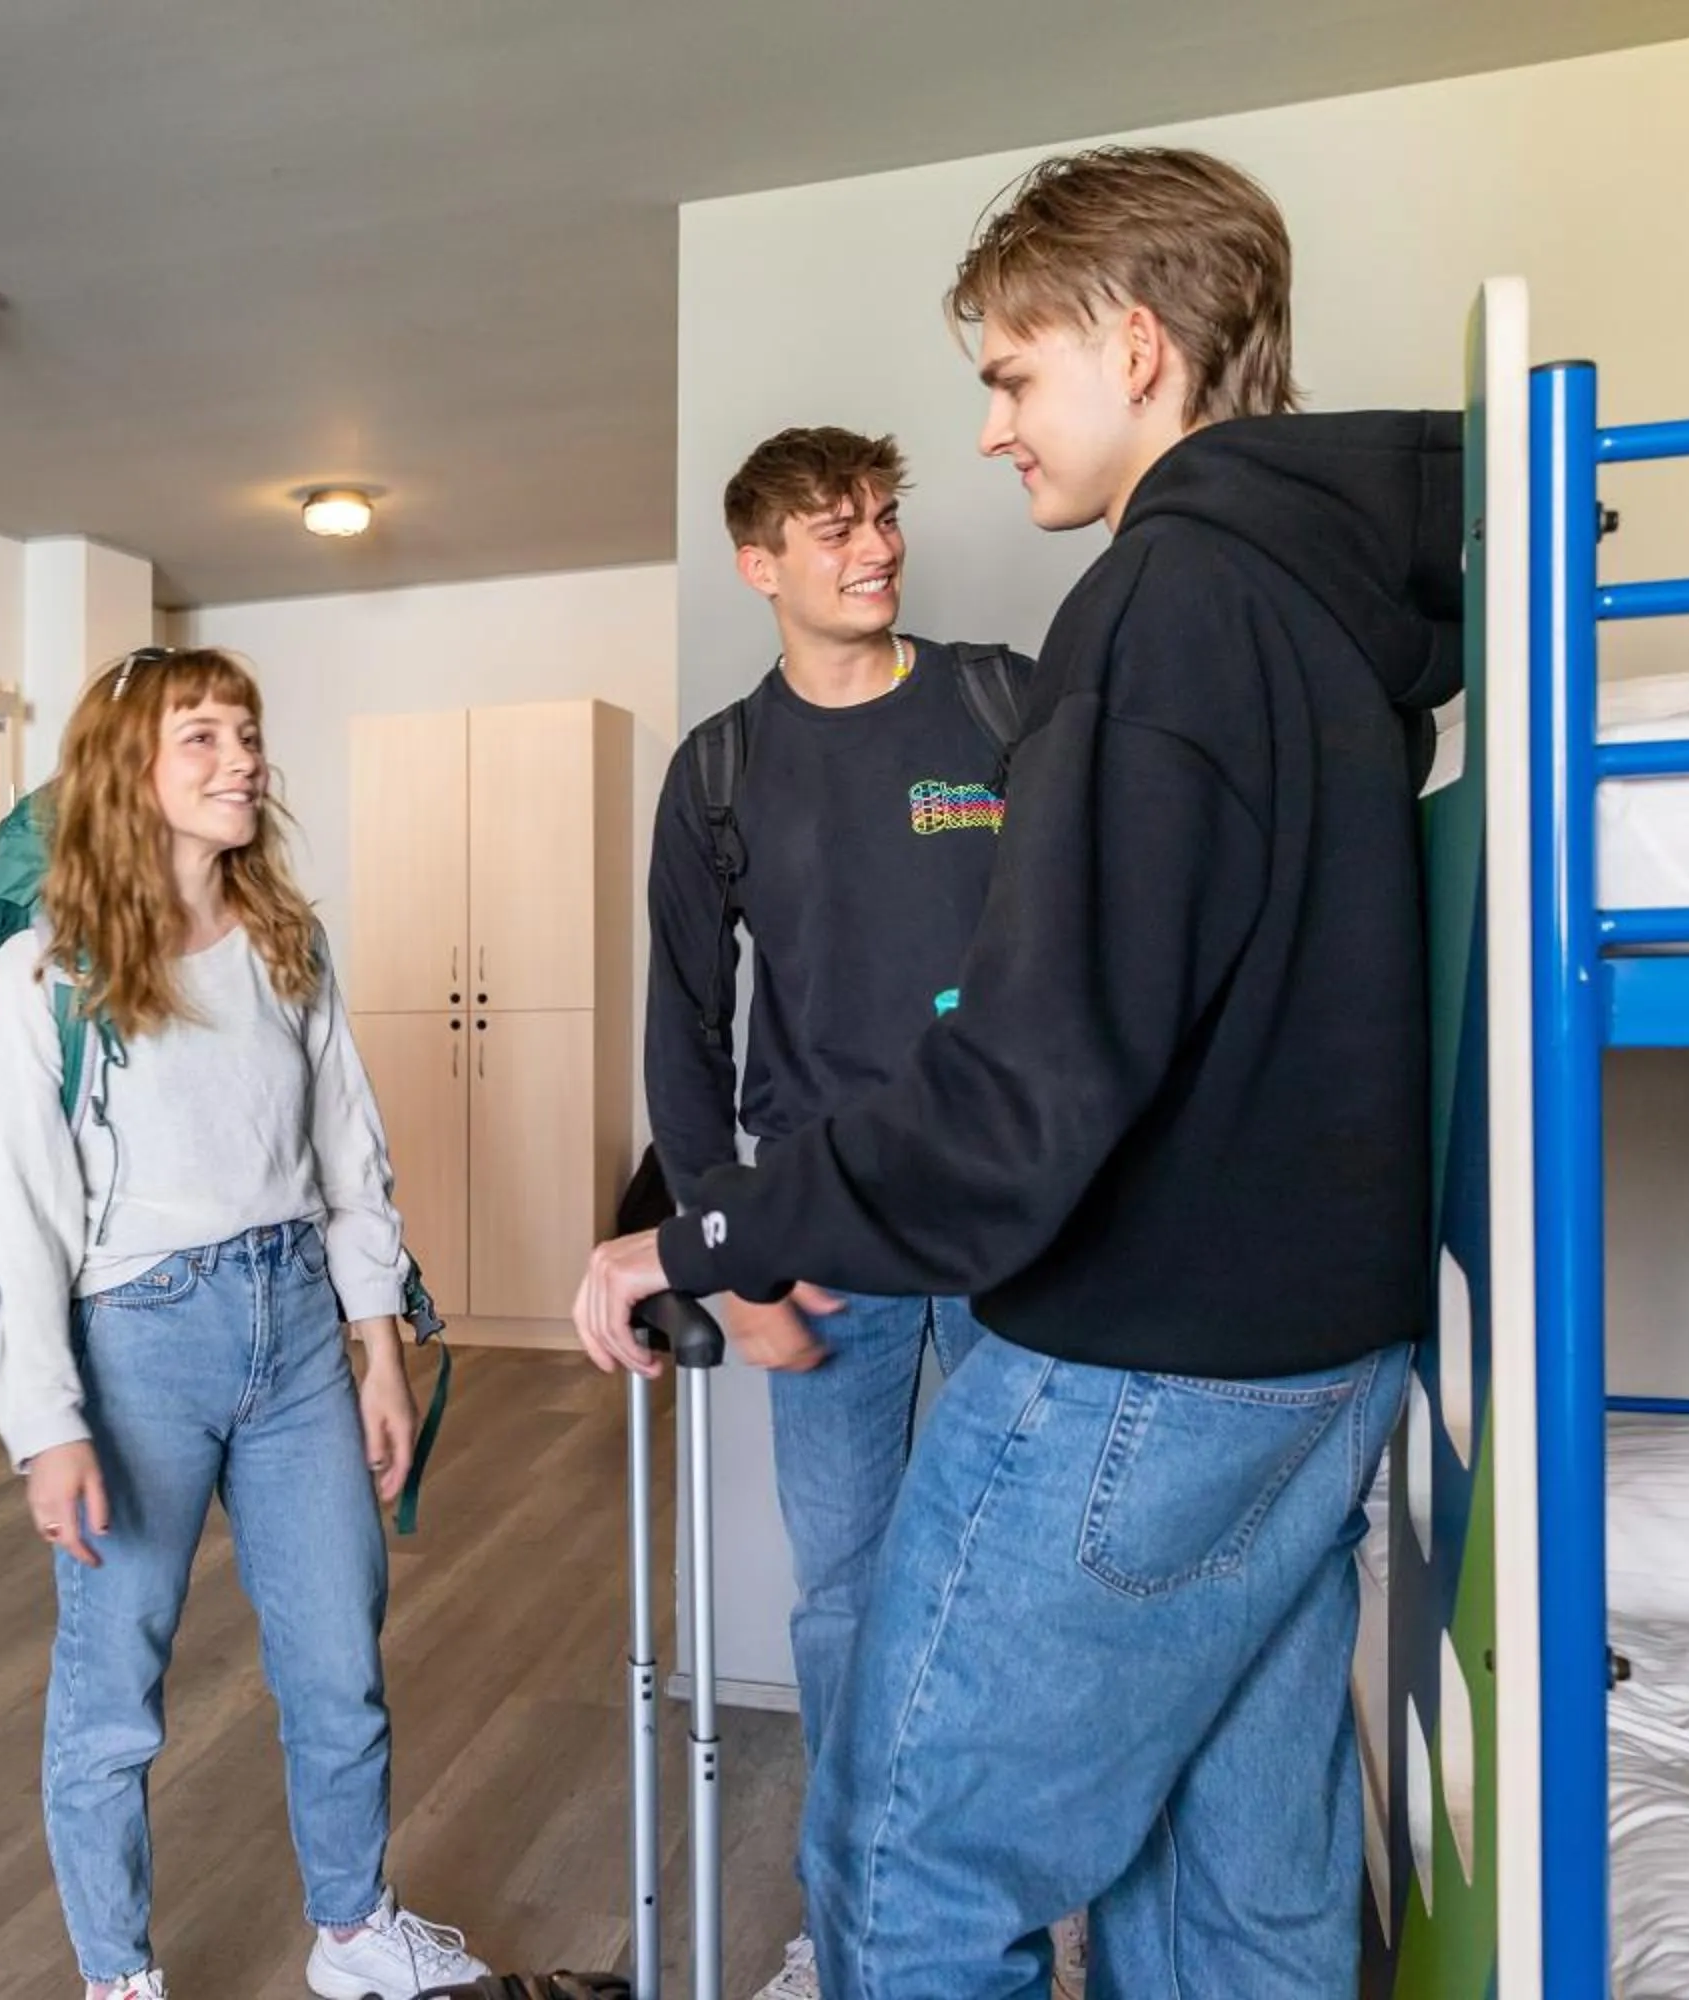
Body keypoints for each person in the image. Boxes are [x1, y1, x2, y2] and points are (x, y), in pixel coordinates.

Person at [575, 146, 1462, 1998]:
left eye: (1009, 375)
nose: (987, 435)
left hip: (1140, 1354)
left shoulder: (1151, 616)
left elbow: (1021, 1094)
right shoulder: (1328, 610)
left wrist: (701, 1233)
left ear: (1134, 347)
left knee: (904, 1875)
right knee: (1238, 1887)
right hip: (1324, 1354)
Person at [0, 645, 489, 2000]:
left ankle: (355, 1928)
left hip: (300, 1329)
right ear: (128, 776)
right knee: (112, 1694)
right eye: (201, 737)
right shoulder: (45, 976)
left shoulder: (285, 944)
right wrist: (46, 1427)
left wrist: (380, 1355)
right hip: (137, 1340)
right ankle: (117, 1977)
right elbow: (18, 1222)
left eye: (247, 733)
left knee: (338, 1655)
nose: (242, 759)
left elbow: (350, 1160)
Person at [644, 425, 1044, 2000]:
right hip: (829, 1248)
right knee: (846, 1601)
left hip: (1019, 1229)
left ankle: (1007, 1916)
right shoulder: (721, 771)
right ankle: (849, 1920)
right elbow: (683, 1030)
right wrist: (732, 1260)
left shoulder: (1003, 701)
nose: (873, 548)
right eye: (831, 531)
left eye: (883, 516)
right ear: (760, 565)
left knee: (1025, 1592)